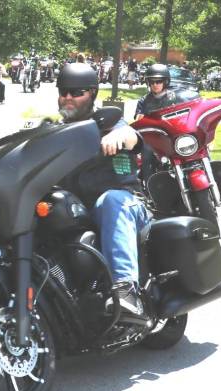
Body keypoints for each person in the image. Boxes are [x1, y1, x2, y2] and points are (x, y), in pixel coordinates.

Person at [55, 63, 150, 318]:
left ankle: (126, 291)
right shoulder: (56, 131)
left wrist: (120, 135)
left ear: (93, 93)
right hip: (77, 211)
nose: (68, 98)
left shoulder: (107, 123)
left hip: (125, 205)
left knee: (111, 200)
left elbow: (133, 137)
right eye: (64, 91)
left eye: (77, 93)